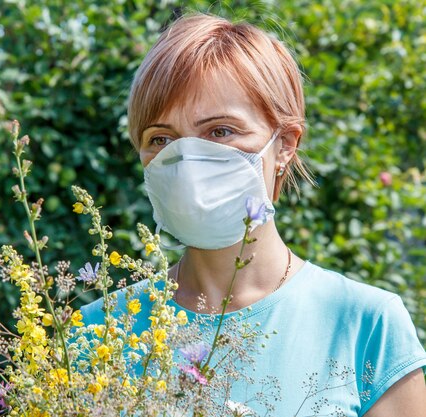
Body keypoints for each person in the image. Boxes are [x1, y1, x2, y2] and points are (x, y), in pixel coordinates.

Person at [81, 13, 426, 416]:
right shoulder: (96, 330)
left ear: (285, 145)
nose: (189, 159)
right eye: (161, 138)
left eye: (221, 131)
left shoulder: (366, 324)